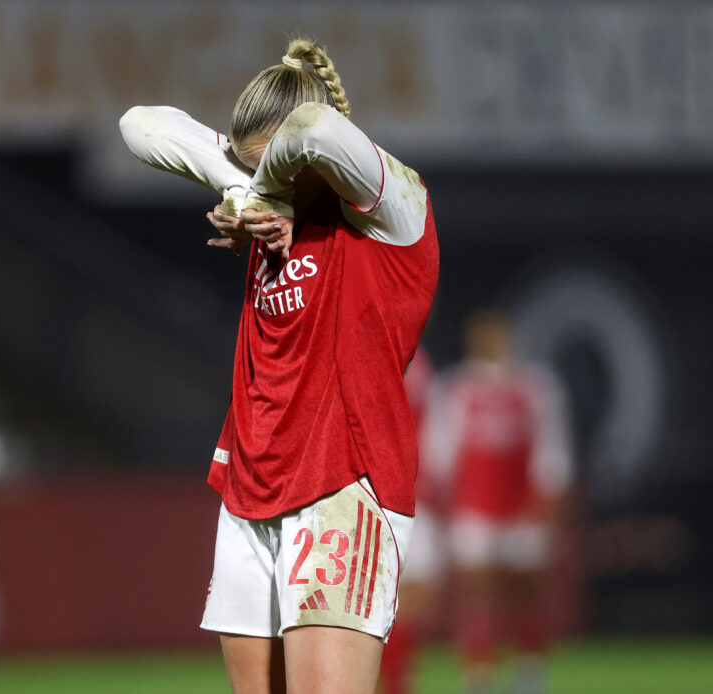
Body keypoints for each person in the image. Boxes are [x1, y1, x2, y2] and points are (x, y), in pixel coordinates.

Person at [120, 37, 439, 694]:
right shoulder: (263, 205)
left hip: (343, 492)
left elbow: (313, 128)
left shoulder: (393, 215)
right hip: (250, 488)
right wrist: (242, 188)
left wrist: (264, 194)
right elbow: (140, 124)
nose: (269, 190)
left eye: (277, 173)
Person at [421, 309, 573, 694]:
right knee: (476, 595)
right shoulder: (454, 389)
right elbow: (439, 454)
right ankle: (480, 676)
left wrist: (547, 504)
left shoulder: (536, 387)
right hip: (473, 512)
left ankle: (529, 674)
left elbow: (551, 452)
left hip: (524, 509)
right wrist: (443, 509)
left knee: (525, 594)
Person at [377, 348, 447, 694]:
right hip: (372, 496)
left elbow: (438, 434)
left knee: (413, 601)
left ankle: (398, 684)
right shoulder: (361, 348)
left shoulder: (422, 365)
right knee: (371, 605)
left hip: (416, 496)